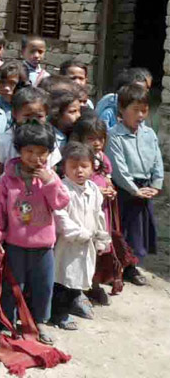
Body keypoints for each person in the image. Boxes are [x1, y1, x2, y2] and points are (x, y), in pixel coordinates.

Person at [0, 122, 70, 345]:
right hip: (15, 243)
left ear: (49, 153)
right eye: (29, 152)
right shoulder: (7, 178)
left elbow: (62, 202)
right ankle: (8, 322)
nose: (35, 158)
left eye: (41, 153)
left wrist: (48, 182)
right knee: (13, 286)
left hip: (44, 245)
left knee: (43, 286)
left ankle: (40, 321)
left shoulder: (50, 177)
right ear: (19, 150)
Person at [106, 83, 164, 285]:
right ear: (122, 109)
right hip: (123, 190)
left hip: (145, 187)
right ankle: (116, 266)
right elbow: (119, 168)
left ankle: (131, 266)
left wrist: (156, 184)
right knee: (121, 229)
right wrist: (133, 189)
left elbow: (157, 160)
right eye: (135, 110)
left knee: (139, 232)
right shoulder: (114, 135)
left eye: (144, 111)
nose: (141, 115)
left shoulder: (149, 134)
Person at [52, 142, 111, 330]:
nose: (79, 171)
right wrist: (80, 233)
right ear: (64, 167)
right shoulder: (62, 189)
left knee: (80, 276)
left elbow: (98, 215)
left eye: (84, 166)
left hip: (87, 244)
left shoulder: (93, 189)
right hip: (67, 243)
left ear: (92, 167)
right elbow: (60, 217)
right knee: (62, 277)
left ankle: (73, 303)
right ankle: (58, 313)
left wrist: (101, 238)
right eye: (73, 166)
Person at [70, 113, 120, 304]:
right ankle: (80, 288)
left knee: (101, 246)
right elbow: (78, 182)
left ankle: (96, 283)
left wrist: (110, 189)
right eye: (91, 138)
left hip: (103, 209)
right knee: (85, 246)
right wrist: (99, 190)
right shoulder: (79, 160)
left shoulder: (102, 158)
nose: (97, 143)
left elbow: (107, 176)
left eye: (100, 138)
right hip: (85, 208)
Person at [0, 86, 62, 187]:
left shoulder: (50, 139)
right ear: (15, 113)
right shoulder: (4, 141)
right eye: (27, 116)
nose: (33, 121)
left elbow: (52, 172)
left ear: (46, 115)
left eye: (39, 116)